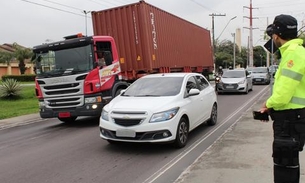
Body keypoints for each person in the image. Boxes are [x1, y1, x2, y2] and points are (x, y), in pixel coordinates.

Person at [259, 14, 305, 183]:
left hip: (289, 120)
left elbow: (283, 94)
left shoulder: (292, 55)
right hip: (293, 118)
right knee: (290, 163)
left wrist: (267, 104)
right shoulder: (296, 52)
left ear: (276, 36)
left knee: (284, 165)